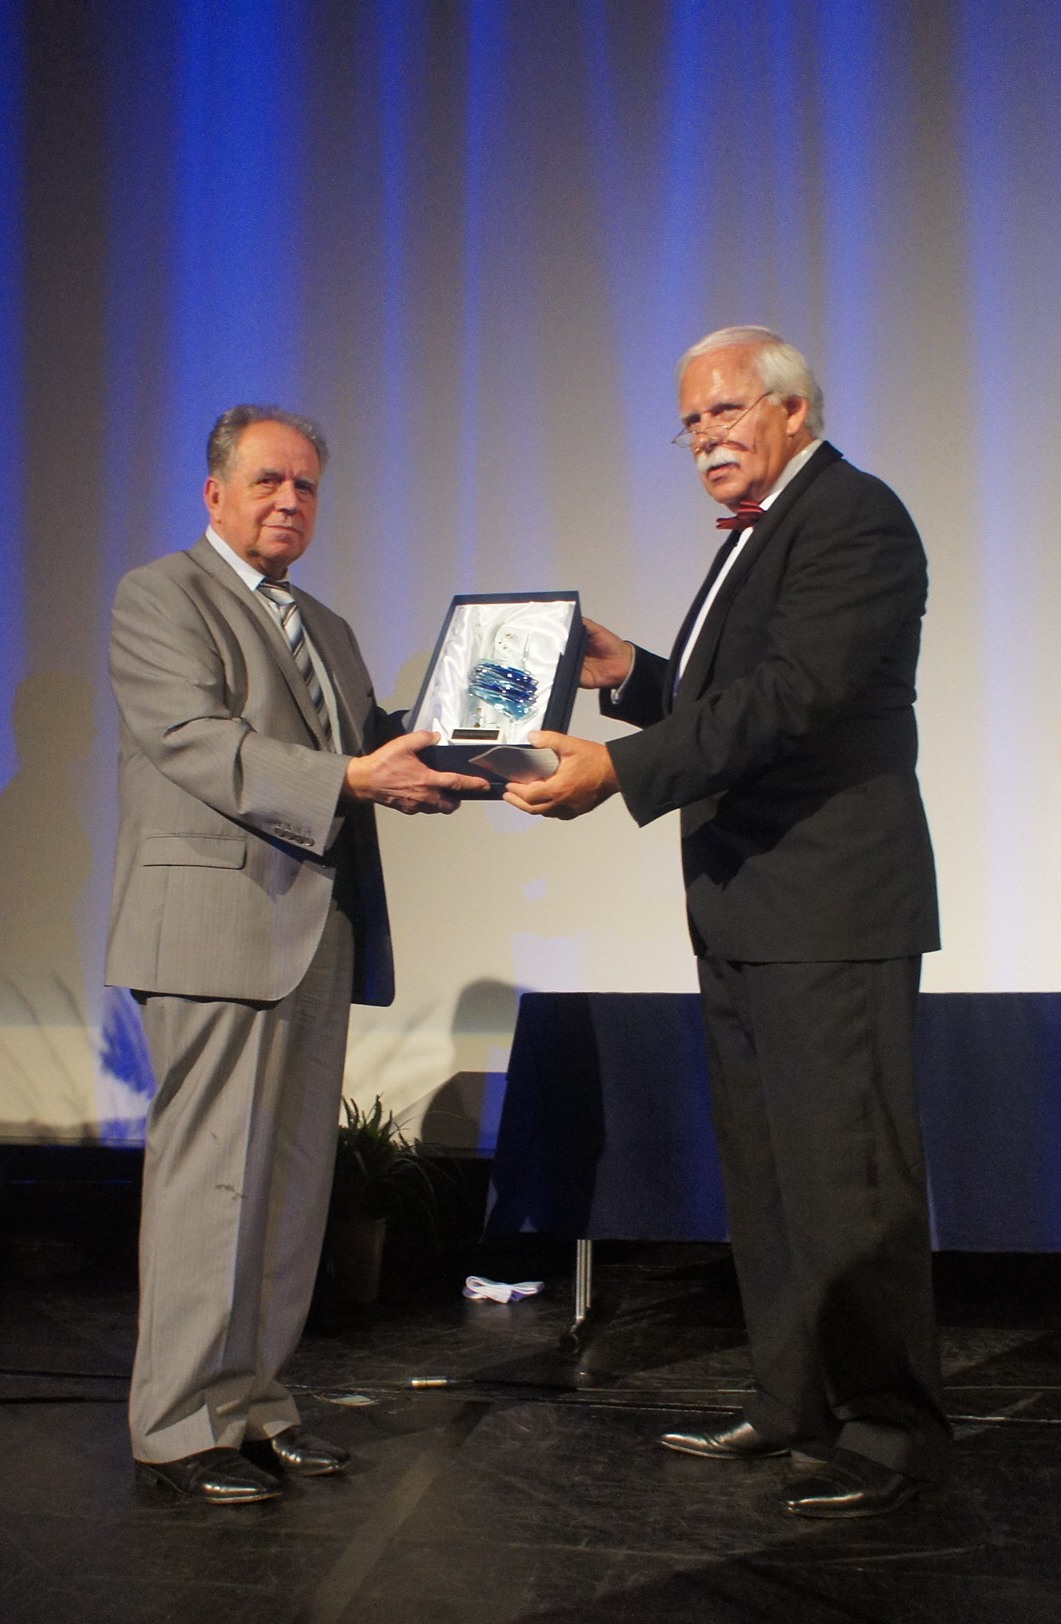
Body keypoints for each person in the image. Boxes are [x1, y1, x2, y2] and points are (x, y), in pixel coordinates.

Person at [504, 326, 949, 1518]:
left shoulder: (851, 517)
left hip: (828, 906)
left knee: (847, 1182)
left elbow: (794, 698)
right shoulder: (758, 532)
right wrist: (631, 674)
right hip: (747, 905)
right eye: (690, 421)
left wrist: (617, 768)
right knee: (766, 1177)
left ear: (791, 410)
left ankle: (887, 1432)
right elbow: (729, 697)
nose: (704, 436)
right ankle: (791, 1401)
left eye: (724, 411)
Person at [107, 404, 487, 1505]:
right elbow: (195, 740)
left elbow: (367, 745)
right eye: (269, 480)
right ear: (214, 491)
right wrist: (358, 778)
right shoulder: (160, 595)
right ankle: (179, 1429)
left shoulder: (324, 622)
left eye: (307, 486)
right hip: (214, 931)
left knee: (286, 1193)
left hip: (317, 927)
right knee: (211, 1186)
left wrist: (467, 745)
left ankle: (254, 1410)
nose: (289, 501)